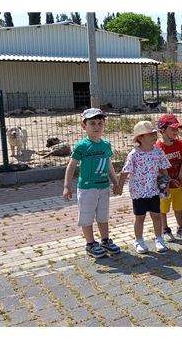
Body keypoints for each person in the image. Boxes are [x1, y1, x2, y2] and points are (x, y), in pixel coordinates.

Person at [63, 108, 121, 259]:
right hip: (87, 189)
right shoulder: (82, 146)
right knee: (87, 217)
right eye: (92, 123)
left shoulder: (106, 145)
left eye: (100, 123)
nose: (97, 127)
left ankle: (105, 241)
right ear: (84, 126)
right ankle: (90, 244)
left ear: (104, 125)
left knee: (103, 216)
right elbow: (71, 165)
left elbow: (109, 165)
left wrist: (116, 182)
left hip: (104, 188)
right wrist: (67, 186)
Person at [116, 121, 172, 254]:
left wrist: (166, 186)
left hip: (153, 191)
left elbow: (164, 169)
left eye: (155, 133)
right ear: (140, 138)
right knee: (140, 217)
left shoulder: (158, 152)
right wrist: (119, 186)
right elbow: (125, 171)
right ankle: (139, 241)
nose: (154, 136)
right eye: (150, 134)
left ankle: (159, 239)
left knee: (156, 215)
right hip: (138, 192)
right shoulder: (134, 154)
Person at [156, 114, 182, 241]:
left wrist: (181, 176)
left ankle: (180, 228)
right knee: (163, 208)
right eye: (172, 129)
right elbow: (160, 168)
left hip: (178, 183)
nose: (176, 132)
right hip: (165, 185)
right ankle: (165, 229)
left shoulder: (180, 143)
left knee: (178, 206)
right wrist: (169, 180)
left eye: (177, 129)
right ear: (162, 130)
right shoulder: (158, 148)